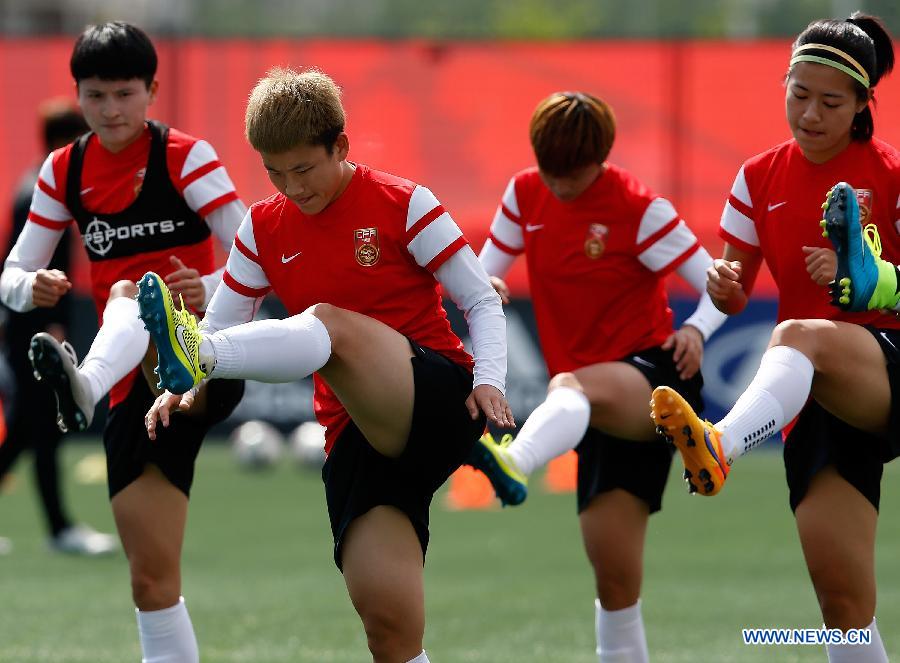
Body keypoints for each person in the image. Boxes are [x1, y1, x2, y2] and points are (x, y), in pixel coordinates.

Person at [140, 66, 512, 663]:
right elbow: (226, 316)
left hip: (435, 398)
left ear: (341, 146)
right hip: (354, 436)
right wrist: (178, 387)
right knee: (389, 631)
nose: (292, 187)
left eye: (305, 169)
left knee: (328, 324)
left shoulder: (405, 201)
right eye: (274, 173)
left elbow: (482, 298)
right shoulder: (262, 226)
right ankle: (196, 360)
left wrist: (491, 378)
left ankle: (198, 359)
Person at [650, 13, 896, 662]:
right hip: (818, 394)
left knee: (798, 334)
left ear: (864, 104)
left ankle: (719, 442)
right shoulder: (758, 176)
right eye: (799, 94)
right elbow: (729, 283)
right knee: (843, 606)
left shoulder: (891, 172)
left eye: (830, 101)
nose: (810, 113)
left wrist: (867, 281)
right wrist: (714, 308)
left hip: (887, 364)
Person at [0, 22, 246, 662]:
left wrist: (211, 281)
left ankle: (81, 385)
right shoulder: (65, 168)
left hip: (203, 356)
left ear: (153, 91)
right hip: (131, 381)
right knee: (151, 581)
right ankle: (88, 388)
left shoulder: (185, 156)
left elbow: (258, 252)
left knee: (133, 293)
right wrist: (36, 287)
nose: (110, 110)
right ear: (77, 94)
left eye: (125, 94)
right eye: (95, 95)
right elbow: (11, 277)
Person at [467, 91, 726, 661]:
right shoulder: (524, 193)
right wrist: (483, 286)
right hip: (592, 411)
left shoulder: (639, 207)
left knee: (570, 387)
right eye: (549, 170)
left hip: (655, 377)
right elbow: (483, 271)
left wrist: (699, 330)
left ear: (602, 157)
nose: (559, 184)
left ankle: (514, 460)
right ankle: (699, 445)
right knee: (614, 583)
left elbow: (718, 285)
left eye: (573, 174)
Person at [0, 99, 117, 556]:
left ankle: (60, 528)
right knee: (42, 429)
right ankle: (60, 530)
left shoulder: (41, 188)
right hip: (34, 332)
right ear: (60, 143)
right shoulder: (37, 194)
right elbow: (29, 271)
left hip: (31, 330)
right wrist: (51, 328)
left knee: (31, 431)